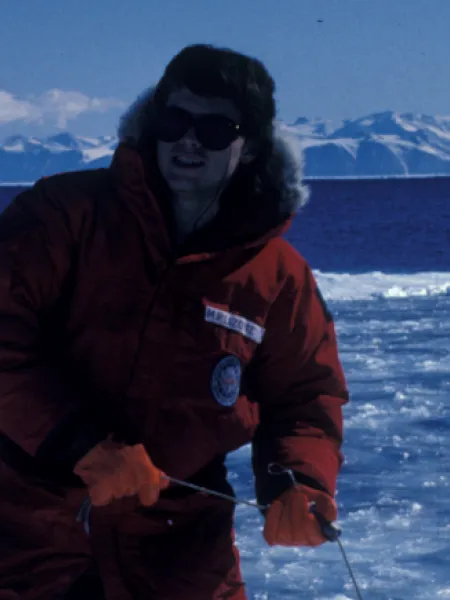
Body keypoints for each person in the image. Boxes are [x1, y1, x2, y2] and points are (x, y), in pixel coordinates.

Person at [0, 44, 348, 600]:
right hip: (29, 531)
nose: (188, 140)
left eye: (215, 129)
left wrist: (298, 483)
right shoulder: (64, 215)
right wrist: (78, 444)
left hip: (181, 548)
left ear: (251, 145)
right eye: (176, 120)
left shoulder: (277, 276)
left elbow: (306, 394)